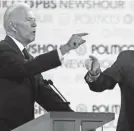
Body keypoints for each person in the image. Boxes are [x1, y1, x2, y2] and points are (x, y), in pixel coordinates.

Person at [0, 3, 88, 131]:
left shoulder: (28, 58)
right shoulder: (2, 50)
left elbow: (46, 96)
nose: (35, 24)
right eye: (29, 20)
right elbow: (25, 68)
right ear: (12, 26)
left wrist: (78, 121)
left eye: (35, 20)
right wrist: (65, 48)